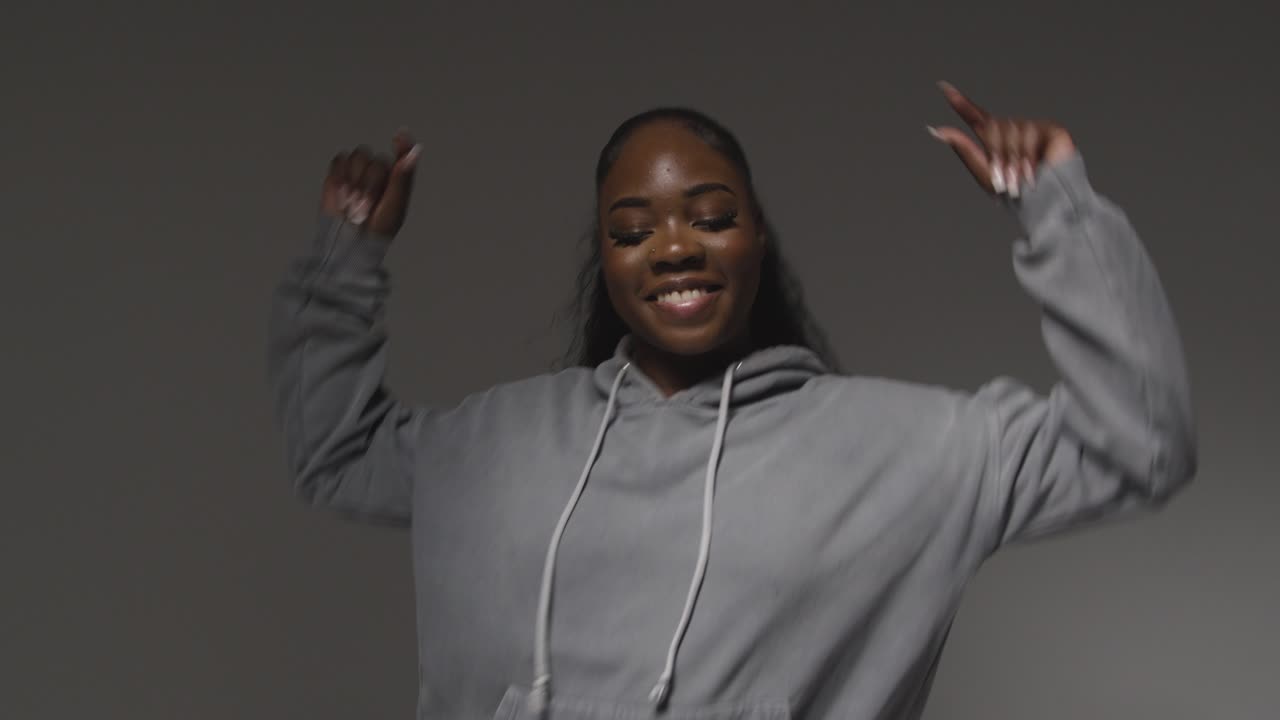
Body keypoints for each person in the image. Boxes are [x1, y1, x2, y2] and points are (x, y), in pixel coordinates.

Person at [266, 82, 1197, 720]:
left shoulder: (906, 449)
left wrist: (1058, 212)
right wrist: (344, 258)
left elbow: (1140, 443)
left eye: (710, 217)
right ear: (608, 257)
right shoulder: (495, 443)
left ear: (757, 238)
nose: (674, 246)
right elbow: (336, 454)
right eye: (634, 230)